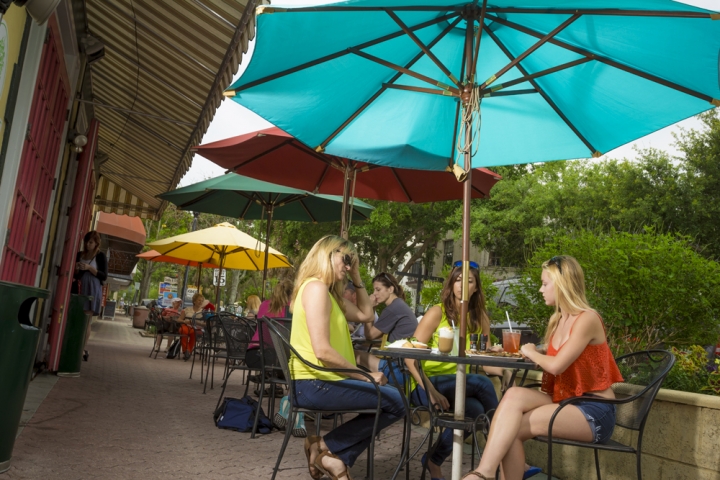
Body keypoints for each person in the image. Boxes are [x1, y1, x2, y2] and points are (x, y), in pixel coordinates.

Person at [462, 256, 624, 480]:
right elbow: (548, 353)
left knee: (510, 432)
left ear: (562, 284)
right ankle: (484, 472)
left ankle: (482, 474)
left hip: (593, 411)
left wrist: (531, 352)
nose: (540, 289)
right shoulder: (558, 319)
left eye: (545, 284)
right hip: (566, 399)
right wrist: (513, 352)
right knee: (514, 394)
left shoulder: (587, 319)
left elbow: (556, 366)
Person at [291, 235, 406, 480]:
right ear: (326, 254)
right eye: (345, 259)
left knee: (390, 400)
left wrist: (356, 276)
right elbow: (322, 351)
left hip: (323, 381)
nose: (348, 265)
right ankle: (329, 450)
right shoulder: (316, 288)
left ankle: (328, 451)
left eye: (351, 261)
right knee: (396, 402)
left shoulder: (330, 294)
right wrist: (365, 376)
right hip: (314, 382)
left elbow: (367, 315)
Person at [407, 261, 500, 480]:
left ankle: (432, 459)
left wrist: (505, 365)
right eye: (457, 280)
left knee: (476, 410)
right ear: (451, 285)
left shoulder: (480, 318)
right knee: (482, 383)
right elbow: (410, 358)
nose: (462, 285)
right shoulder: (437, 313)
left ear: (476, 287)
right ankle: (503, 457)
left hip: (457, 385)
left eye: (468, 280)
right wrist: (430, 391)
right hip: (425, 383)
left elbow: (485, 362)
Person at [355, 272, 418, 377]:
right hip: (406, 366)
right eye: (374, 290)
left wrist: (370, 308)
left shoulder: (393, 309)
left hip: (399, 370)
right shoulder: (398, 305)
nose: (374, 293)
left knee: (354, 354)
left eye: (378, 289)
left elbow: (370, 336)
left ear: (390, 289)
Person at [72, 231, 107, 362]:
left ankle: (81, 350)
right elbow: (74, 275)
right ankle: (75, 346)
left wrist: (89, 268)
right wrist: (77, 268)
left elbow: (104, 275)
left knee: (86, 320)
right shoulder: (80, 254)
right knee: (76, 318)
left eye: (91, 242)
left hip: (92, 287)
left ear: (97, 243)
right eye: (86, 242)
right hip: (79, 287)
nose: (88, 245)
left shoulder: (100, 256)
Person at [177, 292, 208, 361]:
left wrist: (198, 322)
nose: (201, 302)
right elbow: (179, 319)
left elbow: (206, 324)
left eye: (202, 301)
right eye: (199, 300)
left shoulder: (203, 312)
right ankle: (187, 351)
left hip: (197, 327)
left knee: (194, 333)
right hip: (186, 325)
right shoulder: (187, 309)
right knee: (183, 330)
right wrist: (184, 321)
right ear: (194, 301)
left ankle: (188, 351)